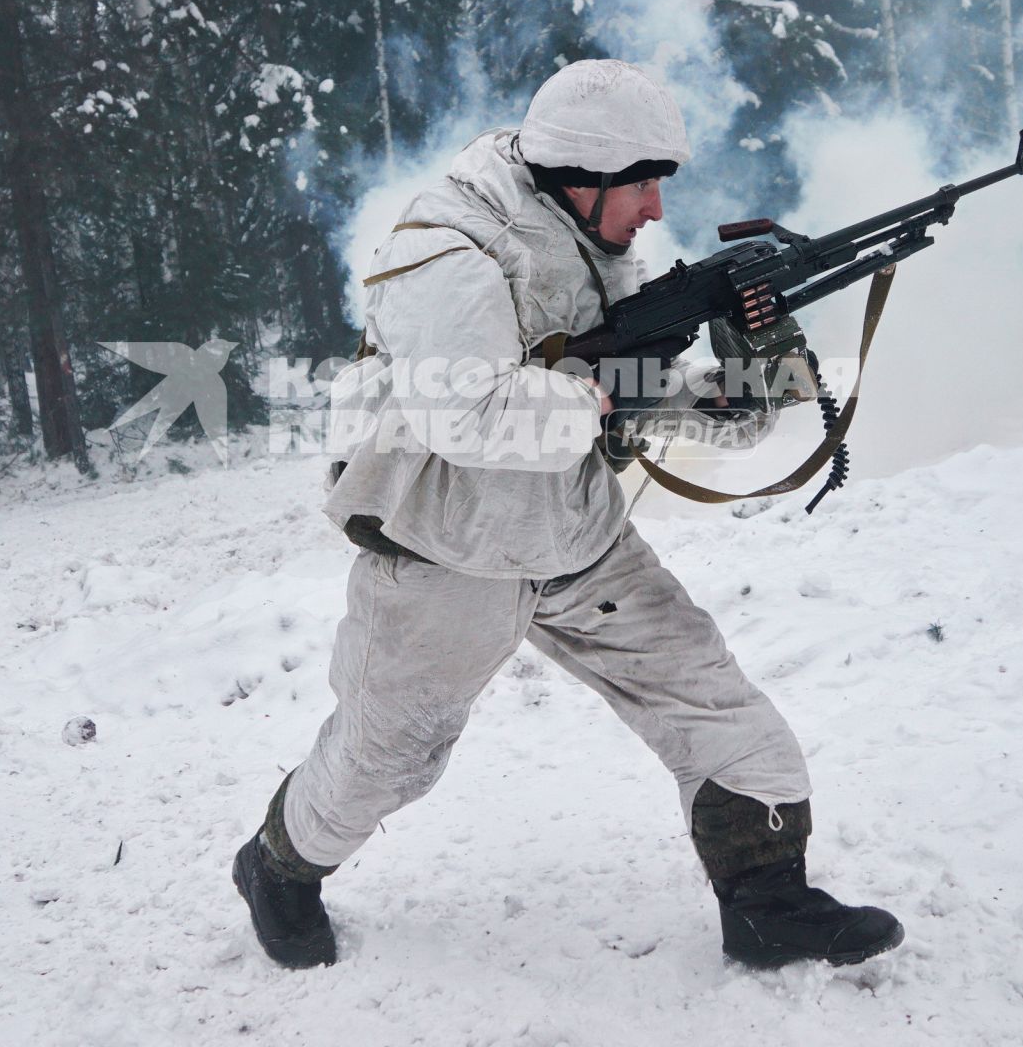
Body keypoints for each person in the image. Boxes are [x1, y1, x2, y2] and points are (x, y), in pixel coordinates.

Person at [232, 59, 903, 971]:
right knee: (388, 761)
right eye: (644, 185)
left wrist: (759, 364)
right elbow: (464, 412)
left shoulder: (598, 245)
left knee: (714, 701)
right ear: (581, 174)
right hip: (448, 550)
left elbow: (651, 391)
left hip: (577, 535)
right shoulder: (445, 247)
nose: (657, 211)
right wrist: (599, 398)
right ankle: (278, 866)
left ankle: (768, 906)